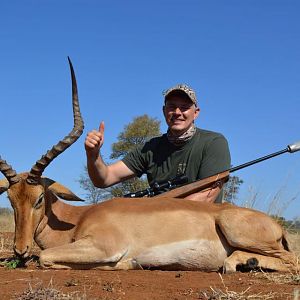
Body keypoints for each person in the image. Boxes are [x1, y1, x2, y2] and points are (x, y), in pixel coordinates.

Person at [85, 84, 231, 203]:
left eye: (185, 107)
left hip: (197, 227)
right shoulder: (149, 148)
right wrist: (93, 155)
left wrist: (153, 212)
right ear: (164, 111)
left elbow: (206, 197)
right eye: (172, 107)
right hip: (157, 223)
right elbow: (104, 179)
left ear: (196, 113)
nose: (177, 112)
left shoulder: (214, 142)